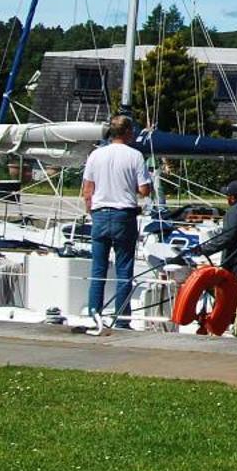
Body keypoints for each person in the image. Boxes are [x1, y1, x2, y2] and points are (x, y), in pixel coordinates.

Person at [80, 114, 153, 333]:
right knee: (124, 270)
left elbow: (87, 190)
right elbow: (144, 190)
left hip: (100, 214)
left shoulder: (95, 155)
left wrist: (91, 211)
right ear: (128, 132)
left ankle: (95, 315)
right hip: (124, 215)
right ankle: (121, 318)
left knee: (99, 269)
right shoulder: (135, 156)